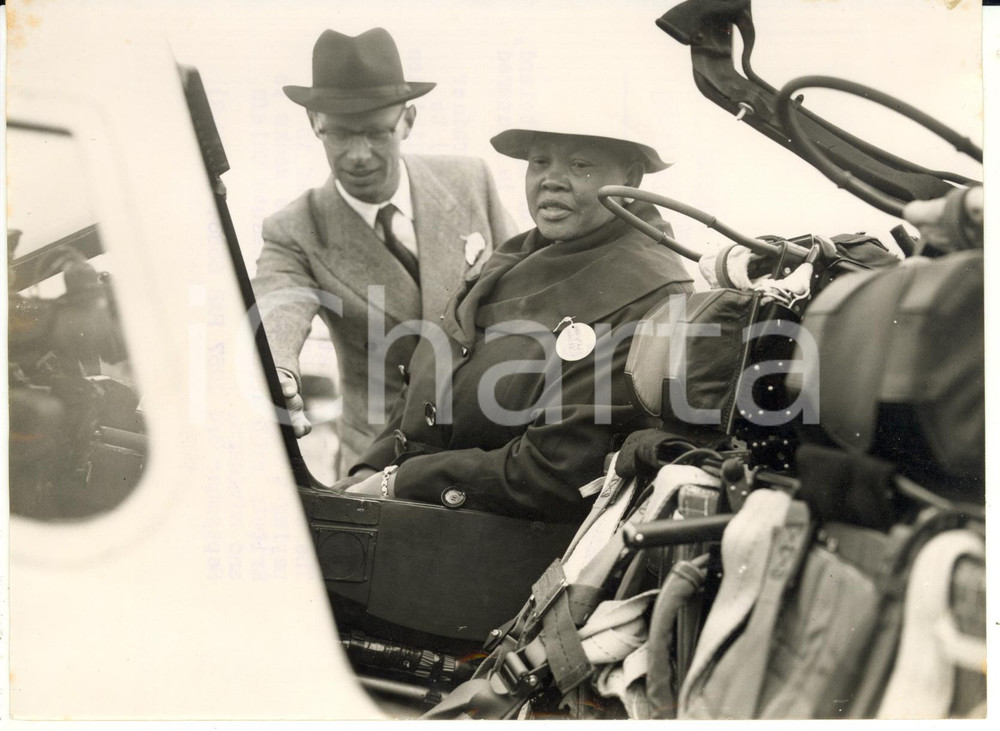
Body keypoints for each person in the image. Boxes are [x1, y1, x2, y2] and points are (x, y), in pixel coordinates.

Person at [340, 121, 695, 521]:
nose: (551, 181)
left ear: (631, 177)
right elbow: (429, 376)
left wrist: (400, 481)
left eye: (579, 165)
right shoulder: (513, 256)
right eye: (540, 161)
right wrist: (369, 471)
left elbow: (554, 470)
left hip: (509, 547)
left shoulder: (649, 292)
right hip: (421, 515)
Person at [252, 28, 516, 473]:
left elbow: (527, 283)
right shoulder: (294, 229)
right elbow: (276, 308)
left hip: (488, 449)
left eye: (376, 132)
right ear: (314, 123)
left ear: (408, 121)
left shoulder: (472, 181)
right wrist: (278, 374)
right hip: (379, 459)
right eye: (339, 134)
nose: (358, 155)